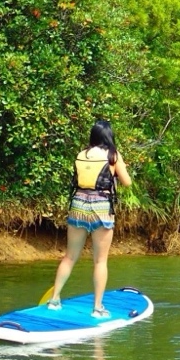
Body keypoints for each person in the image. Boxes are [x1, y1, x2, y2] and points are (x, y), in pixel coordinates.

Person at [47, 119, 132, 319]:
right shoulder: (113, 156)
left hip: (78, 205)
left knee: (69, 257)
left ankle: (54, 300)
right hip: (101, 208)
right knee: (100, 261)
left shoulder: (81, 154)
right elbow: (127, 182)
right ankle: (97, 308)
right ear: (109, 136)